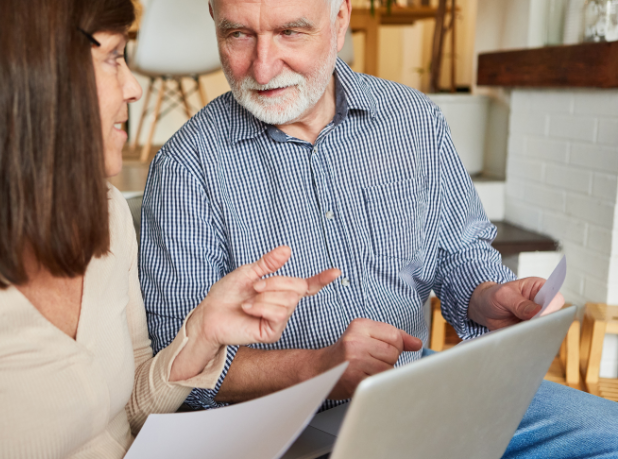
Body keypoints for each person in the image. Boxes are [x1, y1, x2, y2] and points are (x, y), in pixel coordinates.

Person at [0, 0, 339, 457]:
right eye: (113, 58)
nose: (133, 88)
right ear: (31, 72)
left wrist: (202, 334)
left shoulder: (101, 213)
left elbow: (121, 412)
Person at [140, 0, 618, 456]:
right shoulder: (187, 167)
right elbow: (177, 365)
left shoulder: (412, 121)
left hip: (416, 389)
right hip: (280, 423)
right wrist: (318, 368)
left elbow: (457, 253)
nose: (263, 68)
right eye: (238, 34)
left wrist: (489, 296)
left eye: (291, 32)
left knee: (608, 434)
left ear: (341, 17)